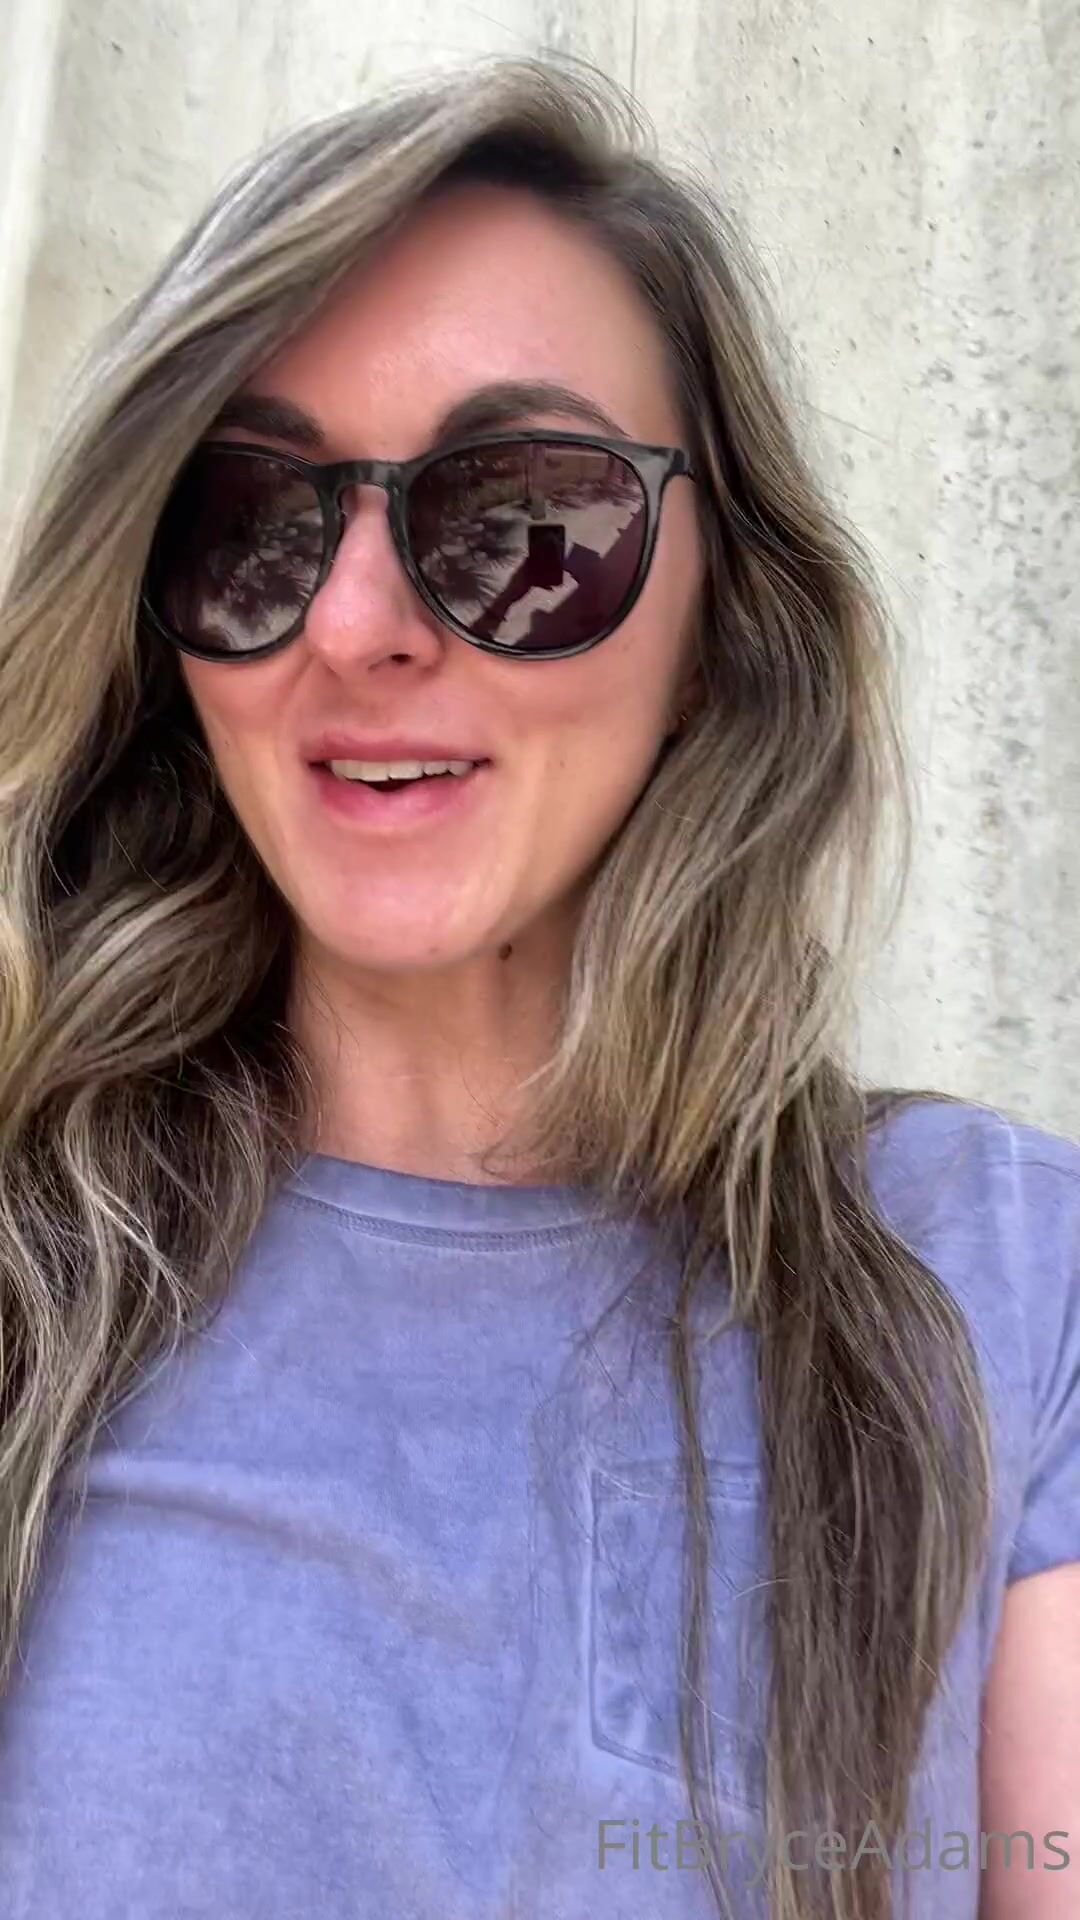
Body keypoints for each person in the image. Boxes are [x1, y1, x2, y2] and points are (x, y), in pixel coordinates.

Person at [0, 51, 1075, 1920]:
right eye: (250, 520)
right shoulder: (33, 1281)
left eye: (522, 519)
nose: (355, 625)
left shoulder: (1000, 1280)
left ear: (721, 619)